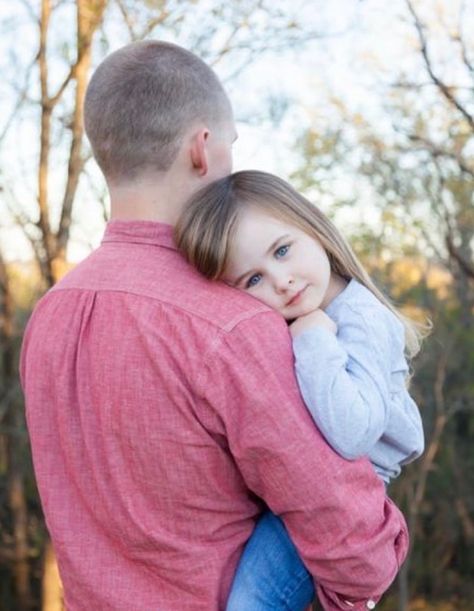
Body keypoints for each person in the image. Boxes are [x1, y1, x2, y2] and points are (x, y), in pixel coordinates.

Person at [20, 41, 408, 611]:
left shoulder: (50, 316)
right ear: (203, 150)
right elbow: (348, 539)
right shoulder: (234, 324)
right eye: (231, 145)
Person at [176, 169, 426, 609]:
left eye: (283, 250)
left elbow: (353, 434)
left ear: (313, 226)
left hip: (340, 501)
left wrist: (312, 336)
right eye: (252, 279)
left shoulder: (357, 319)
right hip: (294, 492)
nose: (281, 280)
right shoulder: (297, 316)